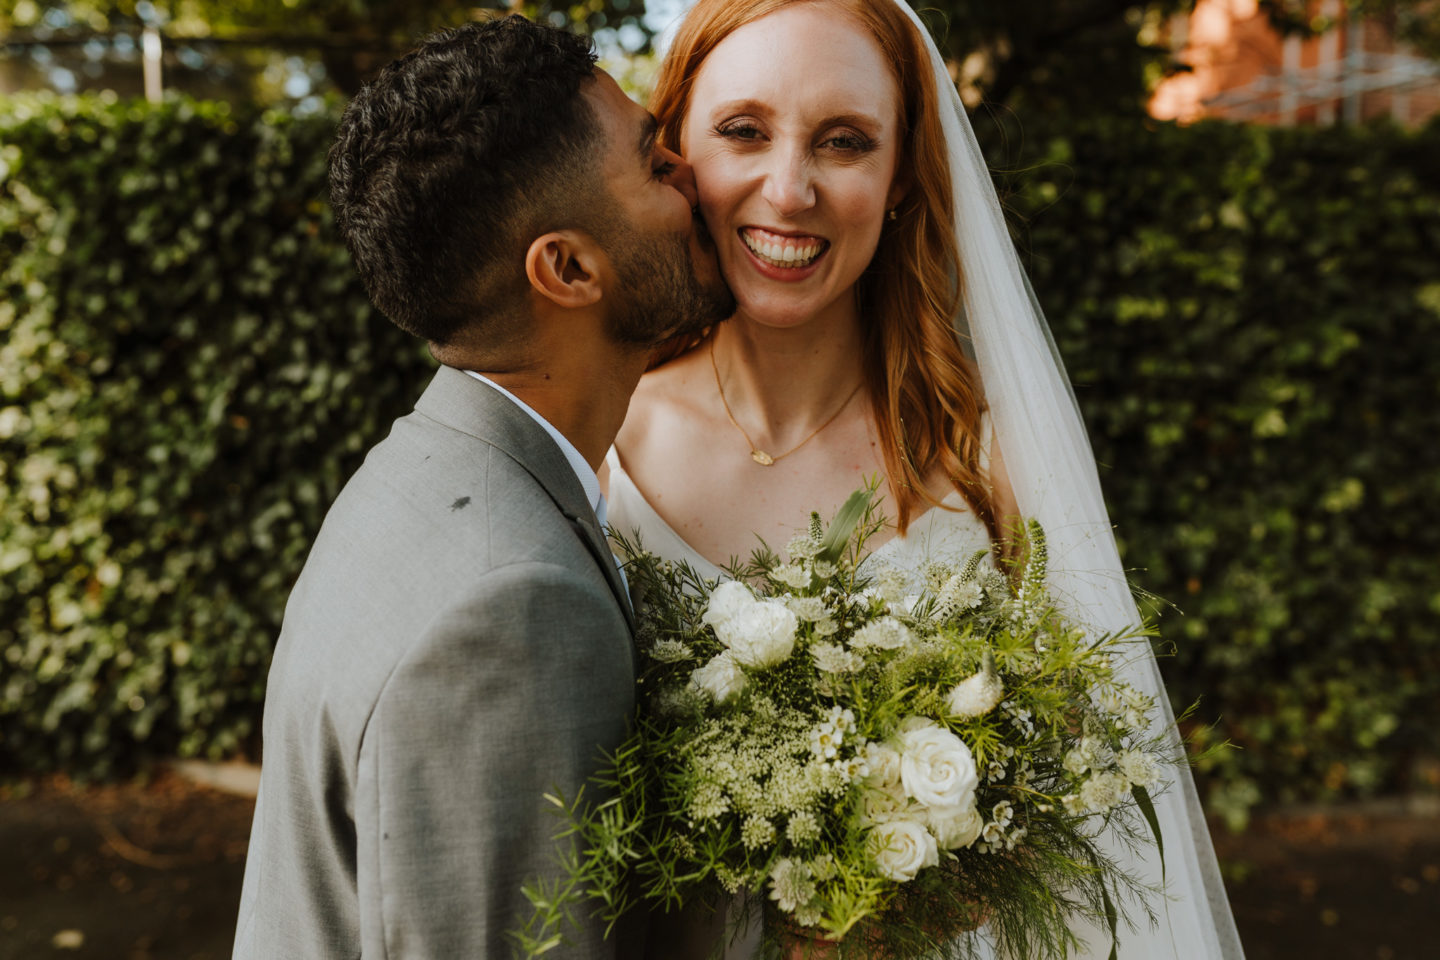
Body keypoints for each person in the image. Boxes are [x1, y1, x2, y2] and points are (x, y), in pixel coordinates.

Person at [604, 0, 1245, 958]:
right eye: (743, 131)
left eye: (844, 142)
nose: (789, 189)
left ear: (901, 176)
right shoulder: (598, 448)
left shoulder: (989, 463)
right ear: (676, 149)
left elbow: (1084, 831)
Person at [231, 16, 732, 960]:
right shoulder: (511, 606)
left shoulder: (417, 480)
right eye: (655, 164)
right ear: (570, 268)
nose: (692, 175)